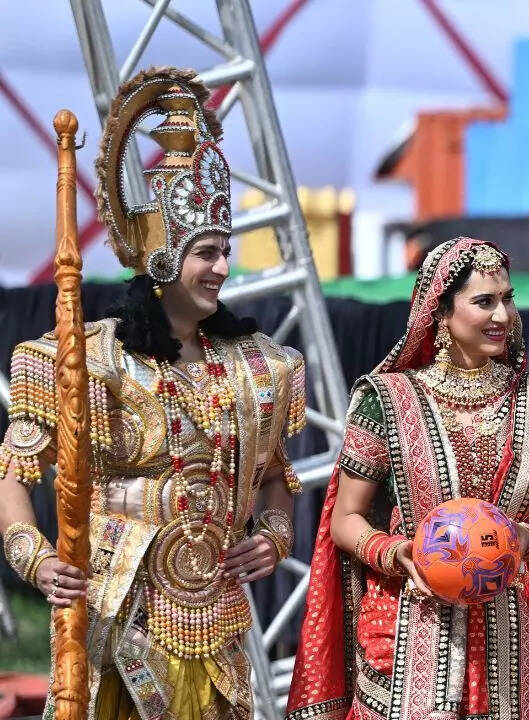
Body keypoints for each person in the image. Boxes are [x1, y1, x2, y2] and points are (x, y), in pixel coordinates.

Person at [0, 67, 306, 720]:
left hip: (219, 620)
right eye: (205, 252)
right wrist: (36, 558)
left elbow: (277, 473)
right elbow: (14, 473)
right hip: (117, 616)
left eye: (226, 250)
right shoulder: (87, 359)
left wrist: (274, 534)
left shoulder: (257, 367)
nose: (223, 267)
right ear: (162, 259)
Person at [285, 237, 529, 720]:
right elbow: (345, 518)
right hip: (410, 626)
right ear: (441, 313)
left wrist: (519, 541)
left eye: (507, 298)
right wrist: (396, 553)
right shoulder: (386, 399)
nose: (502, 316)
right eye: (484, 302)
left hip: (517, 636)